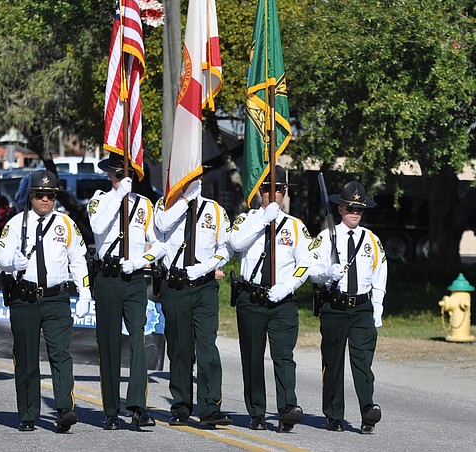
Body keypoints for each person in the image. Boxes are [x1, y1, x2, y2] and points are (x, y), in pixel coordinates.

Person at [0, 169, 92, 433]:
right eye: (40, 195)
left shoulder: (66, 224)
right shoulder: (16, 224)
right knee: (26, 357)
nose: (46, 200)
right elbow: (2, 257)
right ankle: (28, 414)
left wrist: (85, 293)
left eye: (50, 195)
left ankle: (65, 409)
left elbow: (79, 260)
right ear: (31, 196)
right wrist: (13, 262)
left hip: (56, 298)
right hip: (24, 298)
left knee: (61, 354)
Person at [227, 166, 313, 432]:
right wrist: (264, 219)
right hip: (251, 299)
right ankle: (257, 412)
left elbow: (306, 263)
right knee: (252, 357)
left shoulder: (295, 227)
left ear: (284, 192)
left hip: (282, 302)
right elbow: (236, 243)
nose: (272, 195)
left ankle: (287, 409)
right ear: (259, 192)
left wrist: (288, 286)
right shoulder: (247, 220)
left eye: (277, 190)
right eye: (266, 190)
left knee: (284, 356)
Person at [87, 154, 161, 430]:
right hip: (107, 277)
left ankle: (138, 406)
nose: (119, 180)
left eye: (124, 176)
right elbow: (98, 227)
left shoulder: (144, 205)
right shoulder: (100, 200)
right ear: (110, 177)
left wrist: (142, 261)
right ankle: (110, 410)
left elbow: (158, 245)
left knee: (138, 339)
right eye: (117, 176)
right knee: (108, 343)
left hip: (134, 279)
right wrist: (119, 197)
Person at [153, 174, 232, 427]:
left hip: (204, 286)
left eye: (195, 178)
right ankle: (181, 407)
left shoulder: (215, 210)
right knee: (180, 349)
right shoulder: (166, 205)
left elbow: (225, 248)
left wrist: (207, 266)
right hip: (174, 285)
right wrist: (184, 200)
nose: (192, 182)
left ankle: (210, 407)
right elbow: (162, 226)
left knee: (207, 346)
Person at [309, 180, 387, 434]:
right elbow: (312, 271)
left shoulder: (371, 240)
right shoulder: (325, 237)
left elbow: (379, 276)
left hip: (362, 308)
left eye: (359, 209)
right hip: (335, 306)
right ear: (340, 209)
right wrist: (328, 273)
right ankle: (334, 414)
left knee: (363, 362)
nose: (355, 213)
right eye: (350, 208)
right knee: (333, 362)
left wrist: (377, 310)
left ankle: (367, 411)